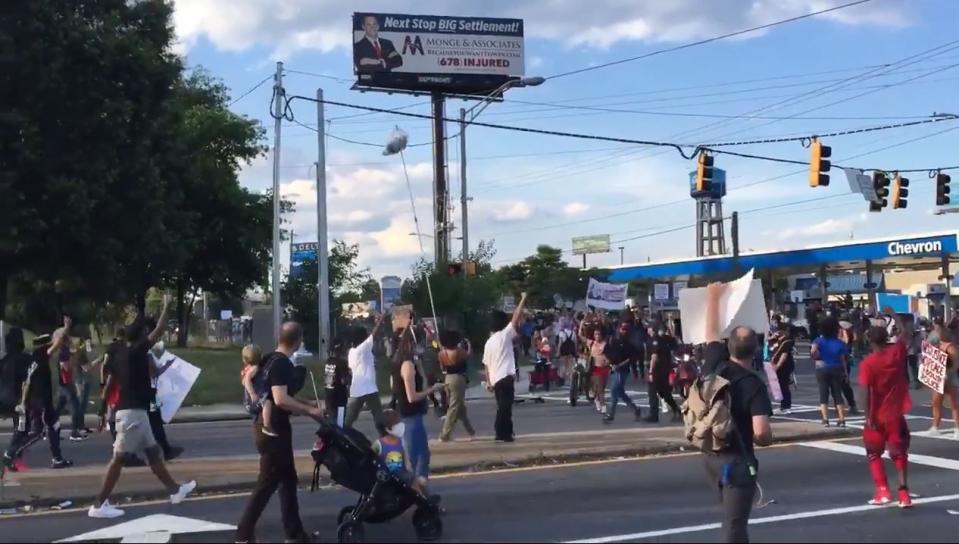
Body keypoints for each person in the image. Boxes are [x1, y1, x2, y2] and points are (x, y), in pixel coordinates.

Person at [88, 298, 196, 519]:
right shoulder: (136, 352)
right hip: (133, 413)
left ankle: (175, 491)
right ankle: (99, 504)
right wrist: (166, 306)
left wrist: (102, 410)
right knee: (118, 459)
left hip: (131, 411)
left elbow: (108, 383)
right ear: (140, 336)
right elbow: (160, 329)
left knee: (153, 453)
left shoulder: (117, 352)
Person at [236, 321, 324, 543]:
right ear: (298, 341)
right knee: (267, 483)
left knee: (287, 480)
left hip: (267, 427)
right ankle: (243, 535)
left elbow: (280, 393)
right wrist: (309, 410)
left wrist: (307, 402)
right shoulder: (283, 364)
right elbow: (281, 399)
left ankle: (295, 534)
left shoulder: (268, 359)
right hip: (273, 431)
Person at [701, 282, 773, 544]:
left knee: (732, 516)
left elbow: (710, 333)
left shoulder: (714, 366)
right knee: (735, 526)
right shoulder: (754, 384)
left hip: (710, 455)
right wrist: (766, 441)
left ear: (728, 346)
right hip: (737, 462)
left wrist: (713, 297)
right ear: (755, 350)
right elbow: (761, 432)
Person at [859, 309, 913, 508]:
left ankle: (882, 490)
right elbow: (904, 334)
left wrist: (867, 415)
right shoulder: (896, 354)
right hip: (896, 414)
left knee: (874, 453)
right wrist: (894, 315)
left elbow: (865, 391)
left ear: (869, 341)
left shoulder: (868, 364)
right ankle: (904, 493)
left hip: (876, 414)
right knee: (900, 454)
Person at [2, 329, 74, 471]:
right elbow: (56, 343)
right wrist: (66, 328)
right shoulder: (39, 355)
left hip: (39, 399)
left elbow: (26, 382)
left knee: (55, 426)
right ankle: (10, 454)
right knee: (37, 431)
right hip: (38, 400)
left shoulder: (32, 359)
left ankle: (57, 458)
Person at [391, 312, 444, 491]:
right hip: (410, 416)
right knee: (417, 458)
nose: (423, 346)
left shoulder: (405, 360)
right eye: (421, 342)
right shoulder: (406, 365)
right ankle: (418, 493)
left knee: (422, 456)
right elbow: (411, 396)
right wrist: (432, 390)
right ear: (414, 343)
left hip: (413, 416)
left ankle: (421, 492)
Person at [483, 293, 528, 443]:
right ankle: (501, 432)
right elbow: (516, 316)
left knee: (503, 407)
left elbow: (486, 365)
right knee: (505, 408)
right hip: (506, 378)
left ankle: (506, 433)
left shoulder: (489, 342)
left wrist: (488, 382)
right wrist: (523, 298)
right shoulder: (504, 335)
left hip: (496, 380)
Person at [345, 314, 386, 429]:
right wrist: (380, 321)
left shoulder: (351, 352)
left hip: (356, 390)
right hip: (369, 388)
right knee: (378, 417)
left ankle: (341, 435)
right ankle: (385, 438)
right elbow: (374, 334)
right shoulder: (363, 348)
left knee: (349, 419)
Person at [373, 409, 428, 494]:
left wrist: (412, 474)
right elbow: (372, 460)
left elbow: (407, 462)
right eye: (396, 423)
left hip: (401, 475)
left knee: (419, 481)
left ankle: (423, 498)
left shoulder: (401, 441)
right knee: (413, 481)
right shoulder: (378, 444)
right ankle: (421, 499)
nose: (401, 425)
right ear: (388, 428)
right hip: (387, 476)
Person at [811, 316, 849, 427]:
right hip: (836, 368)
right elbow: (843, 360)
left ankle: (825, 419)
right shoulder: (840, 343)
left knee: (823, 393)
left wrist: (816, 353)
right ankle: (842, 419)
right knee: (837, 394)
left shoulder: (818, 341)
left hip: (822, 368)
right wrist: (845, 373)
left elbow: (813, 353)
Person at [437, 330, 475, 443]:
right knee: (454, 407)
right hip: (459, 378)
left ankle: (471, 431)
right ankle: (444, 434)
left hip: (448, 377)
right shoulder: (458, 351)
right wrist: (469, 345)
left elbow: (441, 367)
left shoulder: (441, 353)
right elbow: (469, 355)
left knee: (459, 407)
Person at [53, 316, 87, 442]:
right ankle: (74, 431)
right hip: (66, 383)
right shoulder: (64, 351)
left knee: (58, 408)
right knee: (75, 406)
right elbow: (65, 367)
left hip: (64, 384)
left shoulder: (64, 350)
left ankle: (50, 429)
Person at [603, 321, 642, 424]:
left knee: (614, 391)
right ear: (618, 329)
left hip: (622, 370)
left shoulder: (628, 343)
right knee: (620, 392)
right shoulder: (612, 340)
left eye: (625, 329)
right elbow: (606, 351)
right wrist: (608, 361)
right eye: (622, 329)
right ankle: (635, 409)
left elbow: (631, 358)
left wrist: (619, 365)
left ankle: (611, 414)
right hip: (613, 369)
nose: (623, 331)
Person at [928, 320, 959, 438]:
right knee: (936, 402)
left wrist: (947, 372)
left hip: (950, 377)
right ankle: (935, 426)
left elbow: (956, 363)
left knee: (954, 404)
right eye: (936, 329)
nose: (938, 332)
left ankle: (957, 429)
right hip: (938, 377)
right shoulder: (935, 345)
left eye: (939, 330)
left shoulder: (950, 346)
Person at [645, 326, 681, 423]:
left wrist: (651, 372)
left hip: (657, 371)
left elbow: (654, 357)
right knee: (665, 393)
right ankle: (677, 411)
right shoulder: (664, 339)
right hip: (664, 371)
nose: (647, 329)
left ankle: (654, 415)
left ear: (652, 329)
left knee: (652, 392)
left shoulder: (654, 340)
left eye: (649, 327)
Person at [241, 344, 276, 437]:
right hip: (253, 398)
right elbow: (247, 381)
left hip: (249, 400)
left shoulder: (248, 368)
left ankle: (259, 423)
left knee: (259, 413)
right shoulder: (254, 368)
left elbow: (243, 381)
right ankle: (267, 425)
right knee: (267, 402)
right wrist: (252, 394)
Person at [769, 323, 795, 415]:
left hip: (784, 366)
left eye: (778, 330)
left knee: (784, 386)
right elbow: (769, 344)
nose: (776, 332)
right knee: (779, 386)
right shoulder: (777, 340)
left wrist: (777, 366)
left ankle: (786, 406)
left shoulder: (787, 341)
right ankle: (782, 406)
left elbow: (784, 355)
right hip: (776, 365)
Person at [324, 338, 352, 428]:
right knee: (340, 423)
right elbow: (345, 380)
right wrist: (351, 376)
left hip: (329, 395)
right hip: (340, 397)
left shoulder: (328, 361)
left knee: (331, 420)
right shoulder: (342, 363)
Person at [838, 318, 860, 415]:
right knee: (842, 385)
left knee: (842, 385)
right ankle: (848, 405)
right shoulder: (849, 330)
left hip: (843, 361)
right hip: (844, 361)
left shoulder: (844, 332)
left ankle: (849, 405)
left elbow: (848, 342)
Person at [588, 328, 610, 414]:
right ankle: (603, 405)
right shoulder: (591, 343)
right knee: (599, 388)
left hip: (604, 367)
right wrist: (582, 324)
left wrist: (608, 360)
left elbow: (609, 354)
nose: (597, 336)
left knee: (601, 387)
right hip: (595, 368)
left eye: (598, 334)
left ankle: (596, 398)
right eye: (595, 334)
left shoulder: (605, 344)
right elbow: (580, 336)